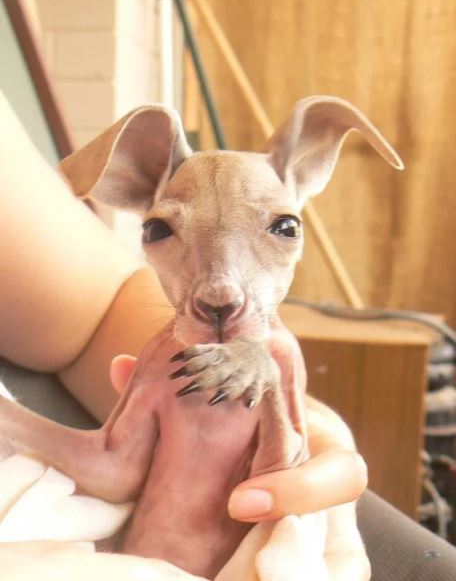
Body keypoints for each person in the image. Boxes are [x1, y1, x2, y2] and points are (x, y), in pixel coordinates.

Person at [2, 89, 455, 580]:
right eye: (161, 232)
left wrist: (290, 406)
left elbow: (98, 311)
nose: (219, 288)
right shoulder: (166, 346)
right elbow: (113, 471)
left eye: (282, 228)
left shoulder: (200, 346)